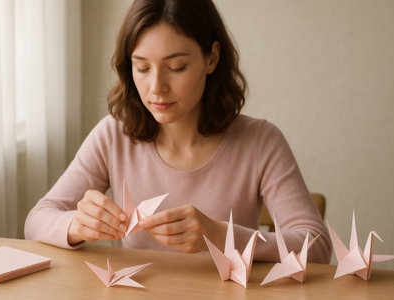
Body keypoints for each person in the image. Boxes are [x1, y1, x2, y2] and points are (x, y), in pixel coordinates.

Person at [25, 0, 331, 263]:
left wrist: (221, 235)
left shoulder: (261, 142)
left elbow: (316, 245)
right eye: (142, 68)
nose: (156, 87)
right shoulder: (113, 136)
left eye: (176, 67)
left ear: (212, 58)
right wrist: (77, 225)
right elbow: (36, 220)